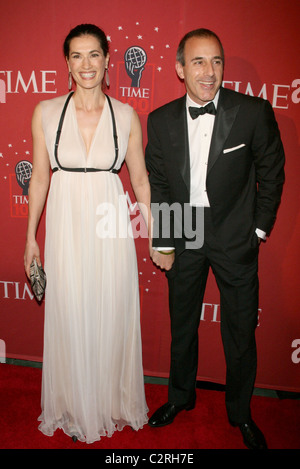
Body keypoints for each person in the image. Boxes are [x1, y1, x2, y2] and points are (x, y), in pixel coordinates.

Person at [145, 28, 285, 449]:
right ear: (179, 68)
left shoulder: (252, 112)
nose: (209, 72)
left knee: (240, 330)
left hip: (235, 237)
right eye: (199, 62)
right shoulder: (161, 119)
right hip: (184, 233)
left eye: (217, 61)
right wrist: (166, 240)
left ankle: (241, 413)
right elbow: (161, 183)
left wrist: (258, 230)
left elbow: (272, 172)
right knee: (182, 325)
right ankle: (179, 398)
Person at [24, 24, 150, 444]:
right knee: (72, 311)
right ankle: (76, 405)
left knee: (109, 310)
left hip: (109, 221)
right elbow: (40, 178)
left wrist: (158, 233)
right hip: (65, 223)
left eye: (94, 54)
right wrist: (30, 238)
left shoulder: (127, 115)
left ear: (108, 58)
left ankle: (109, 403)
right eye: (77, 56)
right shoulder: (45, 112)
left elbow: (142, 181)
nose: (86, 65)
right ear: (66, 63)